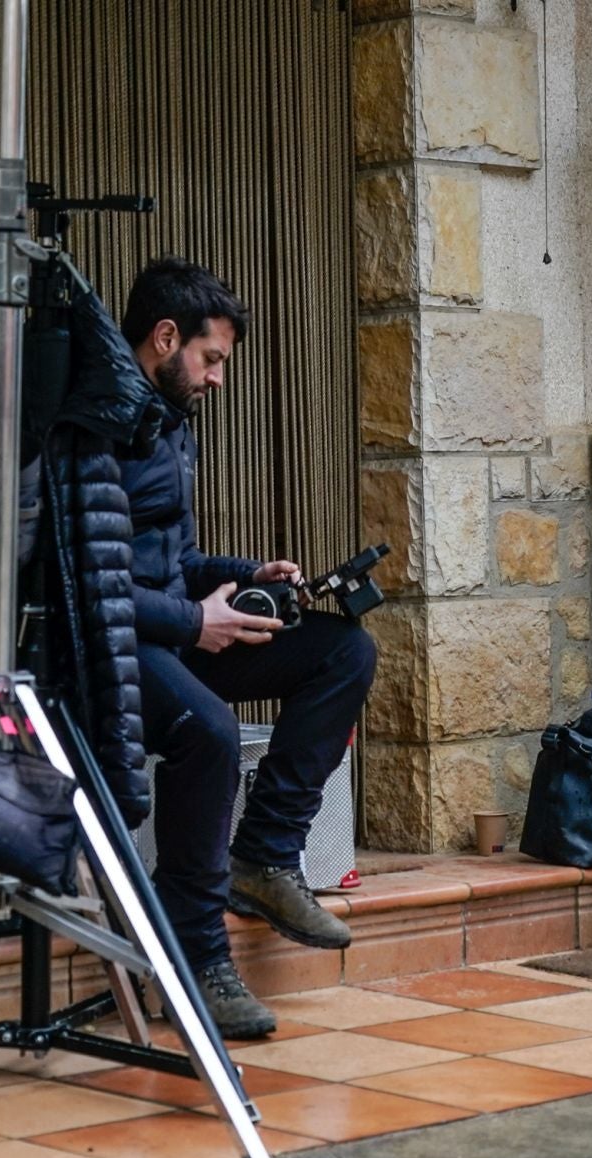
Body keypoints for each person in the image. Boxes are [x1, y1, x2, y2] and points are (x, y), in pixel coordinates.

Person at [119, 256, 376, 1036]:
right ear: (166, 338)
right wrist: (193, 622)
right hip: (108, 652)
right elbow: (83, 587)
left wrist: (245, 576)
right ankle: (197, 955)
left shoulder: (170, 425)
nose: (218, 378)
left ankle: (263, 855)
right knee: (209, 731)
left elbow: (171, 564)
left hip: (171, 629)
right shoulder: (100, 425)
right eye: (212, 358)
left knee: (342, 651)